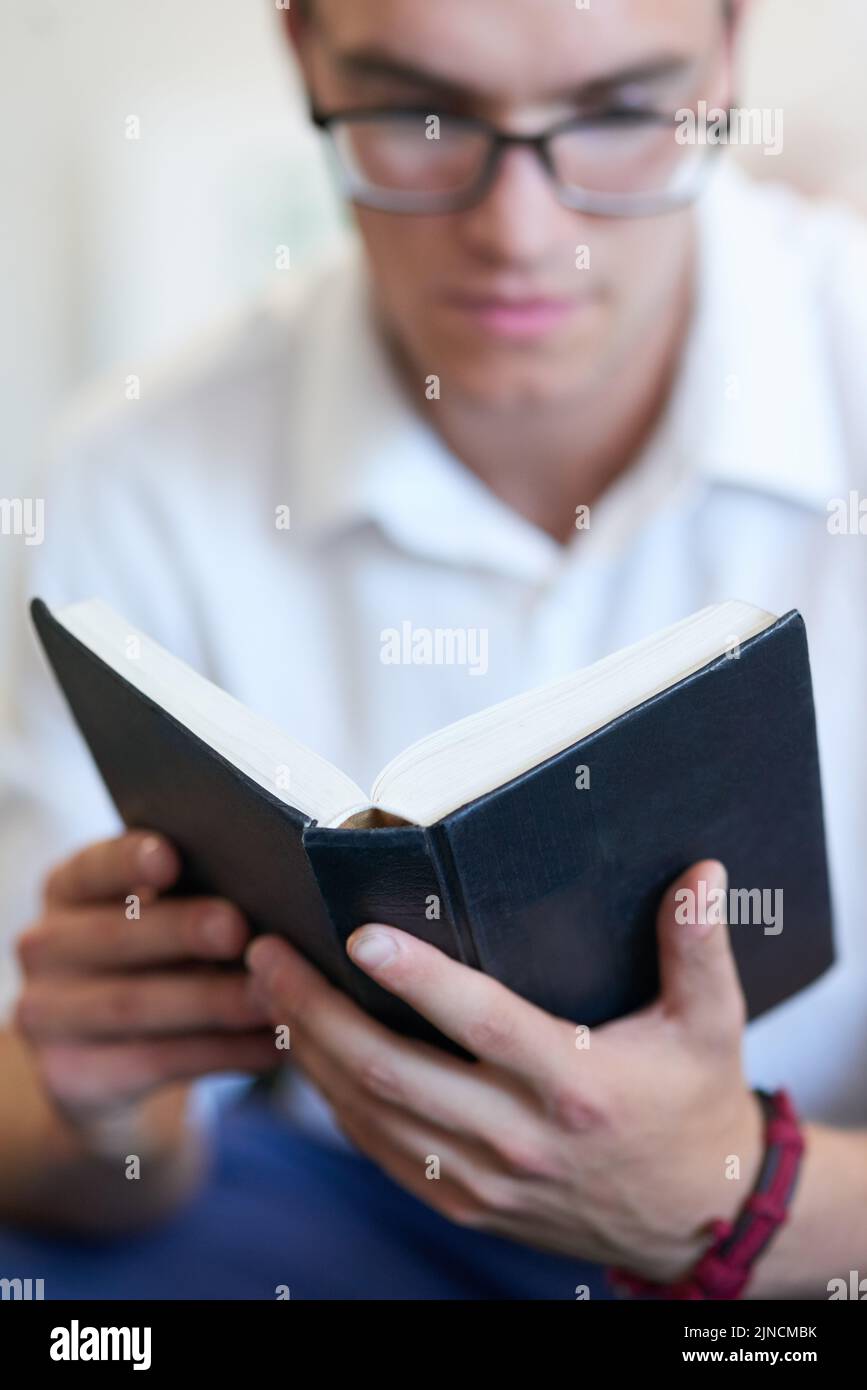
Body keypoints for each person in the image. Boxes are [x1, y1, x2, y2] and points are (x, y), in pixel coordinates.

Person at [0, 0, 865, 1300]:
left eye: (622, 113)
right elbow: (52, 1153)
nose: (521, 233)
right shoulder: (138, 477)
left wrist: (729, 1195)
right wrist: (106, 1115)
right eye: (417, 114)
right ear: (302, 54)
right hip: (333, 1233)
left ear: (729, 56)